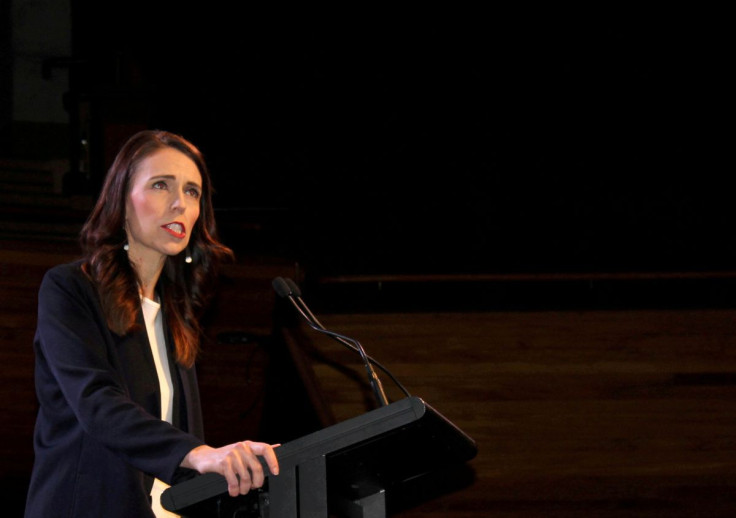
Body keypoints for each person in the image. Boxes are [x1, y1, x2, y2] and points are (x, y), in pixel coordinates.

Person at [24, 130, 279, 517]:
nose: (180, 204)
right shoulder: (71, 289)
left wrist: (239, 463)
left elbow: (177, 440)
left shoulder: (175, 310)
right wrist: (200, 454)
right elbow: (97, 403)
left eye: (192, 192)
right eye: (161, 185)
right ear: (122, 199)